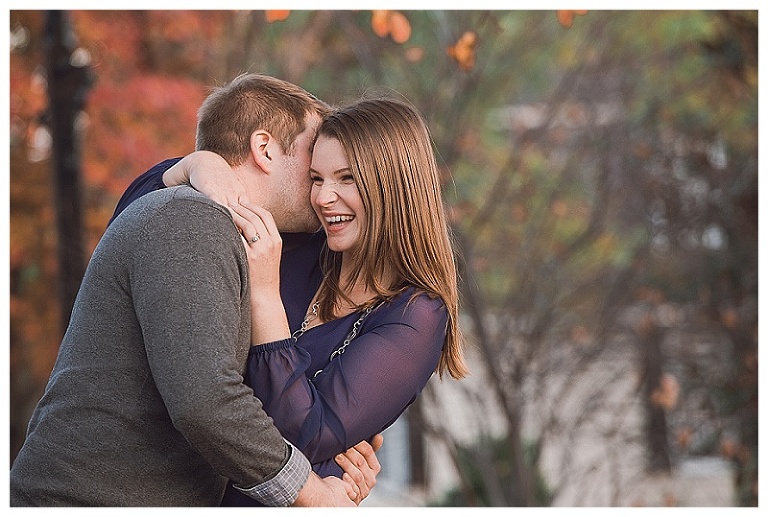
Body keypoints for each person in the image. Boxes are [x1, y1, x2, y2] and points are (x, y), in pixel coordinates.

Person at [9, 74, 381, 507]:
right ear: (264, 149)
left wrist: (342, 439)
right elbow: (206, 403)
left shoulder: (214, 227)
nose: (321, 187)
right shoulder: (189, 221)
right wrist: (315, 496)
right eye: (311, 157)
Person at [110, 95, 469, 506]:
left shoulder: (416, 315)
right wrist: (200, 164)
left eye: (346, 178)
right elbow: (140, 213)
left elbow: (305, 436)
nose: (323, 197)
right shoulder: (303, 248)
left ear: (394, 187)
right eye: (316, 178)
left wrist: (265, 298)